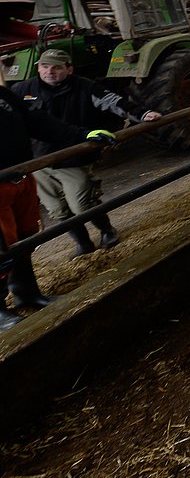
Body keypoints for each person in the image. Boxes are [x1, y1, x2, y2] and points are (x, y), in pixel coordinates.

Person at [10, 48, 161, 259]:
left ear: (69, 69)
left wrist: (142, 114)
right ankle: (83, 242)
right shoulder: (22, 90)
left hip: (73, 157)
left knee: (81, 204)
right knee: (57, 209)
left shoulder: (84, 87)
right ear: (38, 68)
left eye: (57, 67)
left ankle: (107, 231)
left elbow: (114, 102)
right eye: (45, 67)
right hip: (39, 162)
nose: (49, 72)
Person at [0, 64, 114, 330]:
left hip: (21, 176)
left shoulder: (4, 96)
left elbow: (38, 122)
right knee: (1, 245)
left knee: (25, 237)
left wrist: (83, 134)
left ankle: (26, 292)